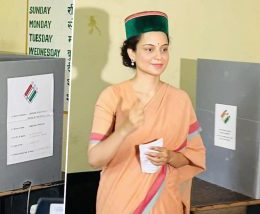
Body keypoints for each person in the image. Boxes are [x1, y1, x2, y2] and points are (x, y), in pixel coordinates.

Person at [88, 11, 206, 214]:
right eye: (149, 49)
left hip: (165, 203)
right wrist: (123, 130)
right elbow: (95, 159)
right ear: (132, 53)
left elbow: (193, 157)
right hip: (120, 203)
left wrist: (169, 156)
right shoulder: (113, 96)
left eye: (164, 49)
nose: (159, 57)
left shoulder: (180, 99)